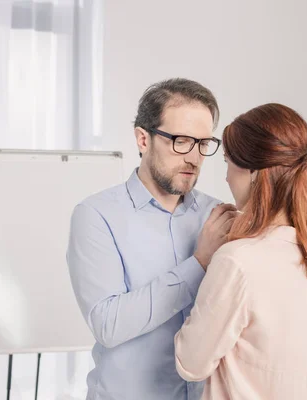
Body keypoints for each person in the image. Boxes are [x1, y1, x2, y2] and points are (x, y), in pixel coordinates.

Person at [66, 78, 238, 400]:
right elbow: (109, 324)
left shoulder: (218, 216)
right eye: (182, 141)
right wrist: (199, 263)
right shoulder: (96, 216)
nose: (195, 157)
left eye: (204, 143)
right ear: (143, 139)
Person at [174, 103, 307, 399]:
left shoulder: (237, 261)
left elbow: (191, 363)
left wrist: (203, 259)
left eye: (227, 162)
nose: (226, 177)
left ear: (252, 171)